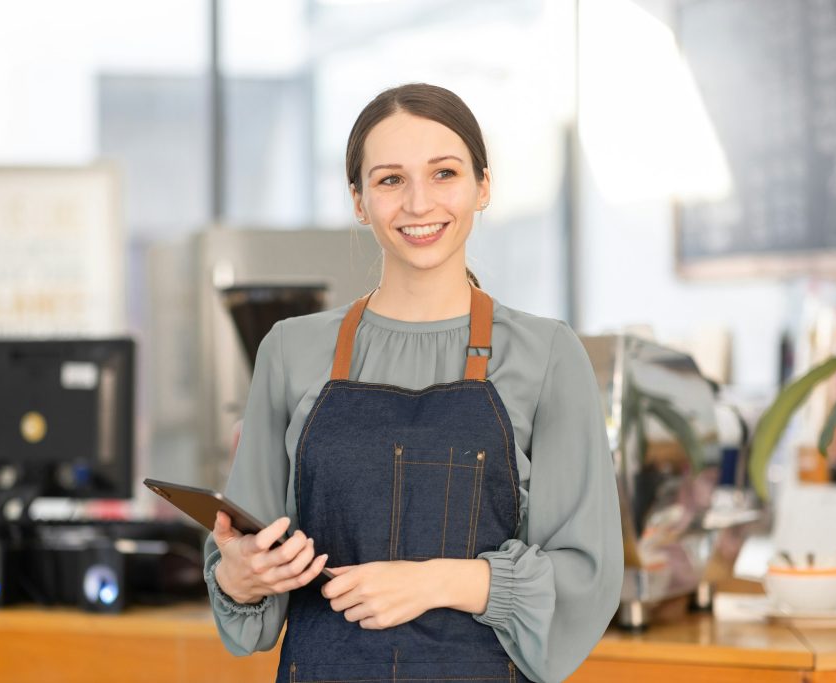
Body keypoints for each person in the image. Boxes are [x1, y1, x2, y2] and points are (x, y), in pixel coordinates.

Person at [203, 83, 623, 683]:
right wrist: (238, 574)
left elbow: (586, 574)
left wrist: (433, 581)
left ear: (483, 186)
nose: (419, 203)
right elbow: (249, 579)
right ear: (358, 199)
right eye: (391, 180)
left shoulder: (548, 355)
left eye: (444, 173)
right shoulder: (290, 351)